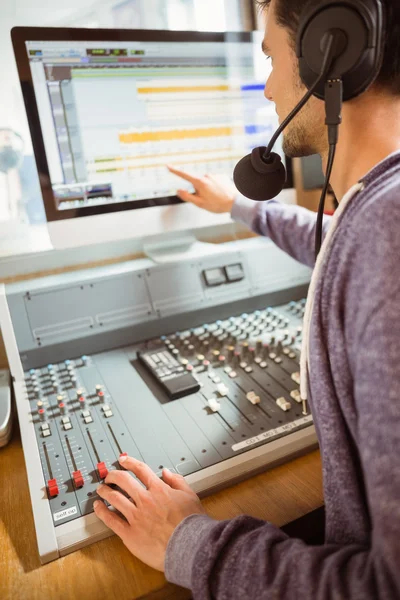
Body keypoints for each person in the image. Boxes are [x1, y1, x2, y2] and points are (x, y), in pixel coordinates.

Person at [94, 0, 400, 597]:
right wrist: (236, 205)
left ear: (328, 51)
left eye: (270, 58)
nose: (266, 89)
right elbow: (331, 241)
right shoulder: (377, 214)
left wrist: (187, 541)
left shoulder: (388, 241)